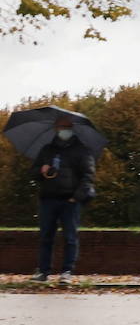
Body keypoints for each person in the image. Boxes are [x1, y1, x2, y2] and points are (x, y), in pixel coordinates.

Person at [31, 115, 97, 284]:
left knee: (70, 237)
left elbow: (88, 176)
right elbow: (32, 172)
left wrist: (76, 198)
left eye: (66, 127)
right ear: (56, 128)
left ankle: (67, 271)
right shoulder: (47, 150)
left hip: (70, 200)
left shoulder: (82, 150)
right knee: (46, 236)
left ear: (72, 129)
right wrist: (41, 171)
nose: (63, 130)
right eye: (61, 127)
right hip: (48, 199)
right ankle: (43, 271)